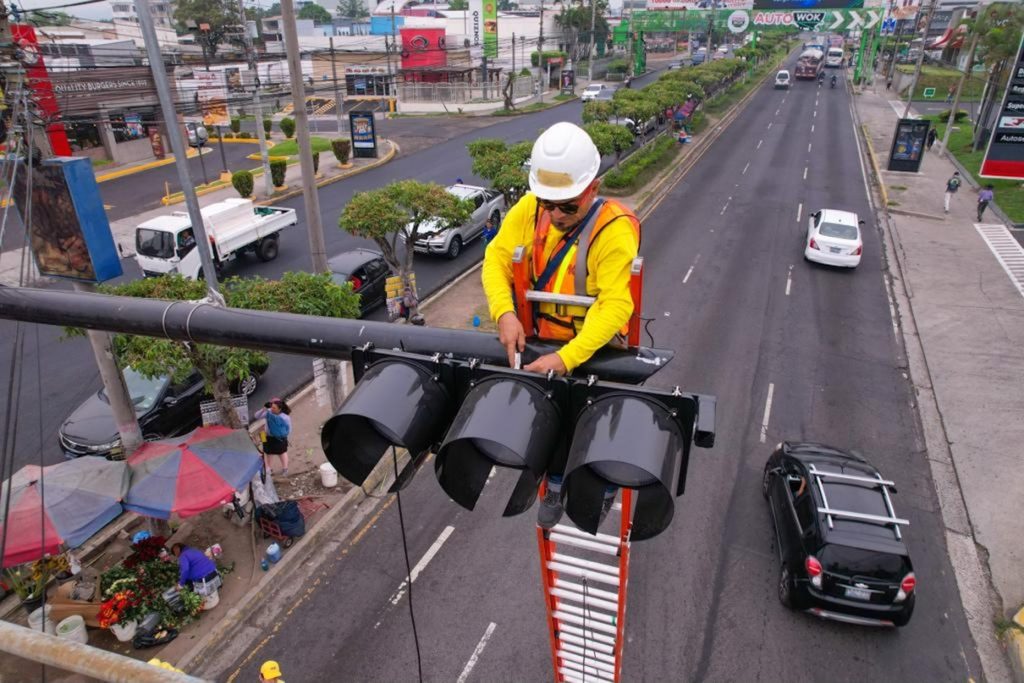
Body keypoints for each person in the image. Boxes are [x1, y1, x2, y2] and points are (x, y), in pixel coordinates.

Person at [482, 121, 640, 529]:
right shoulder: (531, 209)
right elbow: (496, 259)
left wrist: (568, 358)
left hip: (595, 346)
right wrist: (504, 313)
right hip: (542, 339)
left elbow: (616, 304)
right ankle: (554, 482)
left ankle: (602, 485)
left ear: (593, 187)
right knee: (548, 417)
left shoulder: (613, 229)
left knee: (599, 422)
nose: (554, 215)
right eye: (547, 204)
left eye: (567, 207)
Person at [256, 398, 292, 476]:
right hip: (266, 436)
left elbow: (288, 429)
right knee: (268, 453)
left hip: (279, 438)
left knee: (282, 453)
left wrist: (282, 436)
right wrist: (264, 409)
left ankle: (285, 469)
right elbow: (257, 416)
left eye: (274, 408)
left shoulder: (284, 417)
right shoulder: (268, 413)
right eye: (271, 406)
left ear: (280, 409)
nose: (271, 409)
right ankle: (269, 469)